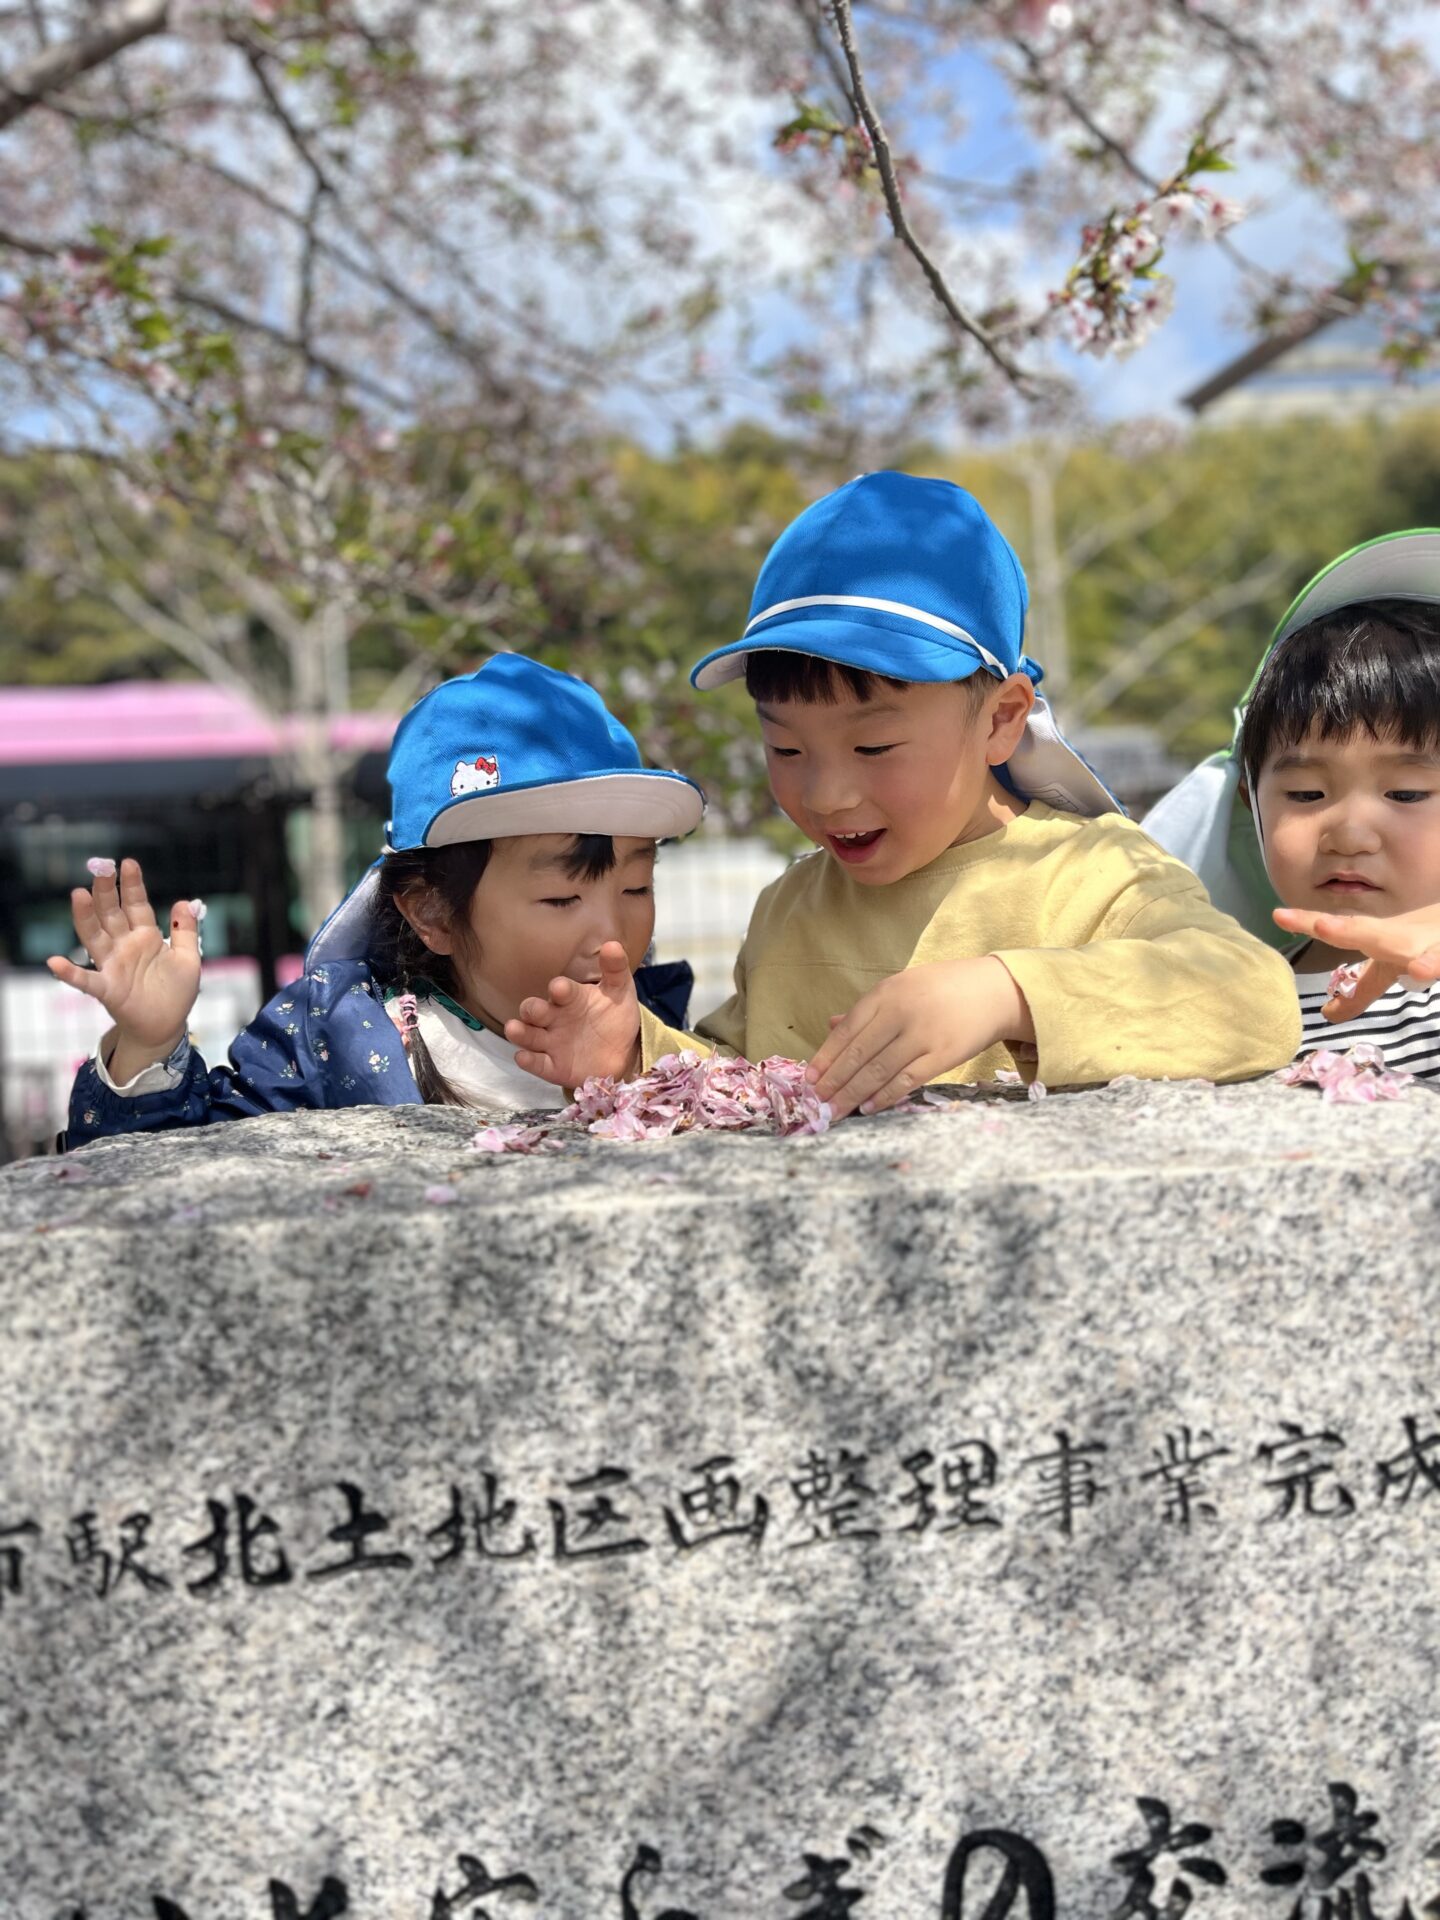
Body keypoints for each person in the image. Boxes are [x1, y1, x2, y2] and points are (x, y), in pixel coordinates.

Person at [503, 471, 1300, 1116]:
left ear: (1001, 718)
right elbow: (747, 1080)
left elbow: (1254, 998)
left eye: (874, 746)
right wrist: (634, 1057)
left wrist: (1005, 993)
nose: (827, 793)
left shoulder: (1092, 873)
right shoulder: (791, 908)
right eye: (786, 747)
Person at [54, 653, 704, 1141]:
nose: (612, 936)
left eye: (635, 887)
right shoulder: (339, 1039)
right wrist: (148, 1044)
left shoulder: (662, 1029)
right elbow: (189, 1170)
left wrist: (631, 1073)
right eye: (562, 897)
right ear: (432, 912)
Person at [1144, 529, 1440, 1076]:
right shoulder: (1224, 1006)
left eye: (1405, 793)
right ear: (1251, 805)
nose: (1350, 835)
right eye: (1307, 794)